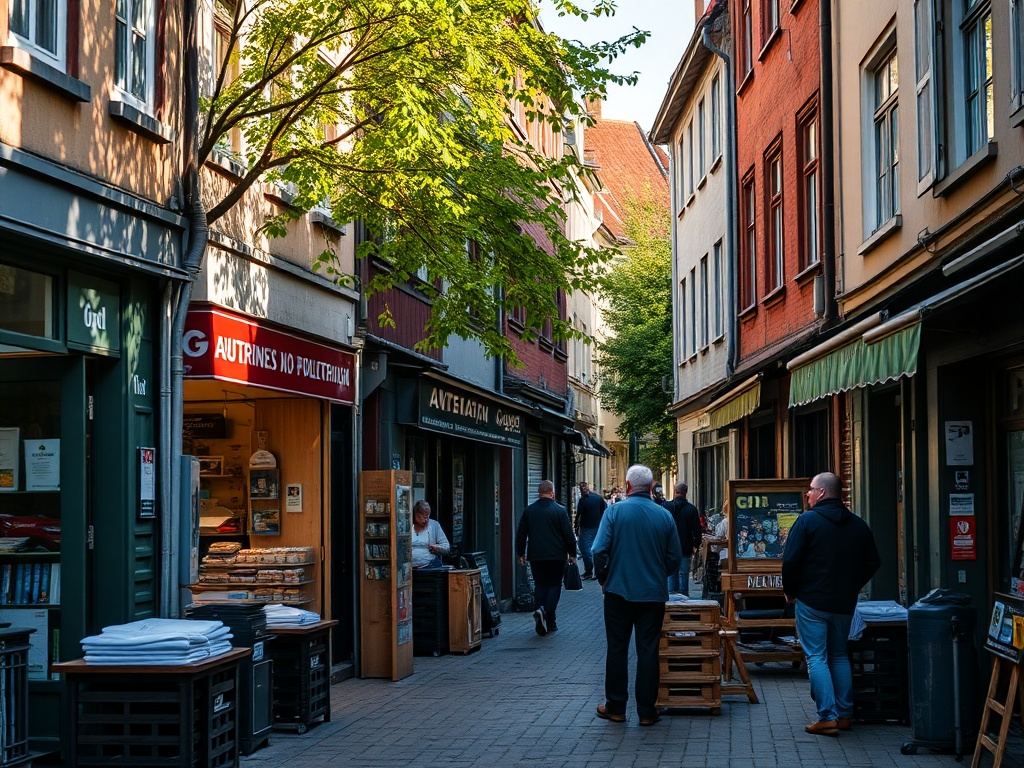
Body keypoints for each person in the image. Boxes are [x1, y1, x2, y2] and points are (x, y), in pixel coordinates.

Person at [782, 472, 880, 736]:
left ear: (822, 492)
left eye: (811, 490)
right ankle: (844, 714)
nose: (808, 494)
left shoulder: (807, 522)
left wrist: (791, 591)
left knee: (816, 657)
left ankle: (827, 716)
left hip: (812, 600)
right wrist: (852, 585)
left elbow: (790, 561)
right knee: (838, 655)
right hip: (843, 602)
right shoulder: (858, 525)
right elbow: (873, 562)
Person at [591, 464, 682, 726]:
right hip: (652, 595)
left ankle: (616, 707)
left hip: (618, 592)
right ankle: (646, 710)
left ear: (628, 486)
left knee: (617, 649)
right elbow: (675, 557)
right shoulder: (664, 515)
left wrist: (604, 578)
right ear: (652, 487)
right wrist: (658, 574)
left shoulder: (615, 512)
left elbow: (598, 549)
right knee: (648, 650)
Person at [516, 480, 577, 636]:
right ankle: (546, 611)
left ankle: (546, 618)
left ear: (539, 493)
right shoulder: (560, 511)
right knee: (555, 585)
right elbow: (569, 535)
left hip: (536, 556)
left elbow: (521, 533)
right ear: (552, 493)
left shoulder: (529, 511)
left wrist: (520, 553)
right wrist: (572, 554)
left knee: (540, 585)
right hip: (557, 556)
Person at [667, 481, 703, 595]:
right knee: (684, 575)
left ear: (674, 491)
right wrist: (696, 545)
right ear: (685, 493)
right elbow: (697, 530)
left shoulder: (667, 507)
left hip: (670, 548)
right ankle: (683, 601)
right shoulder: (691, 509)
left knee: (671, 575)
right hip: (685, 548)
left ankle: (671, 600)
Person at [574, 481, 606, 580]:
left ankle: (589, 570)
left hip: (586, 527)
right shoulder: (598, 498)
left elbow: (579, 514)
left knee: (585, 549)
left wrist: (576, 526)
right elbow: (604, 510)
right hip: (597, 526)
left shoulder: (583, 500)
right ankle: (597, 571)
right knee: (596, 548)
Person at [411, 499, 451, 569]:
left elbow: (446, 547)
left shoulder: (434, 525)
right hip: (409, 569)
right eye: (422, 517)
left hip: (429, 566)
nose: (425, 520)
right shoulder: (407, 526)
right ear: (416, 515)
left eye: (427, 517)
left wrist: (438, 548)